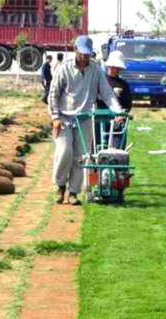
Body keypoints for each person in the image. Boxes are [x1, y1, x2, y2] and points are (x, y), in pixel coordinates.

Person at [48, 35, 123, 205]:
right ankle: (60, 187)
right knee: (65, 152)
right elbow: (53, 94)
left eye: (88, 54)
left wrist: (117, 111)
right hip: (65, 118)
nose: (85, 58)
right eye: (82, 54)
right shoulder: (64, 68)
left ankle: (74, 192)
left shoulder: (96, 70)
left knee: (81, 157)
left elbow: (107, 93)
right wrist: (55, 117)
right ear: (75, 50)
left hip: (85, 118)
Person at [96, 50, 132, 148]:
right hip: (99, 121)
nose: (114, 69)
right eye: (112, 66)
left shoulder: (124, 85)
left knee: (116, 150)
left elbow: (127, 105)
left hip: (117, 122)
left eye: (117, 67)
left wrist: (122, 115)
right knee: (97, 148)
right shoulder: (99, 81)